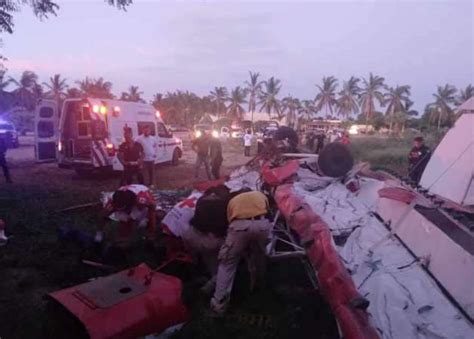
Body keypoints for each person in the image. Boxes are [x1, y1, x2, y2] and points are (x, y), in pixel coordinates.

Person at [211, 190, 272, 315]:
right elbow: (269, 211)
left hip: (239, 226)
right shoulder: (260, 194)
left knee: (227, 263)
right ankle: (260, 287)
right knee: (259, 257)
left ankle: (219, 305)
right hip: (262, 224)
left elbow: (229, 221)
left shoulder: (232, 201)